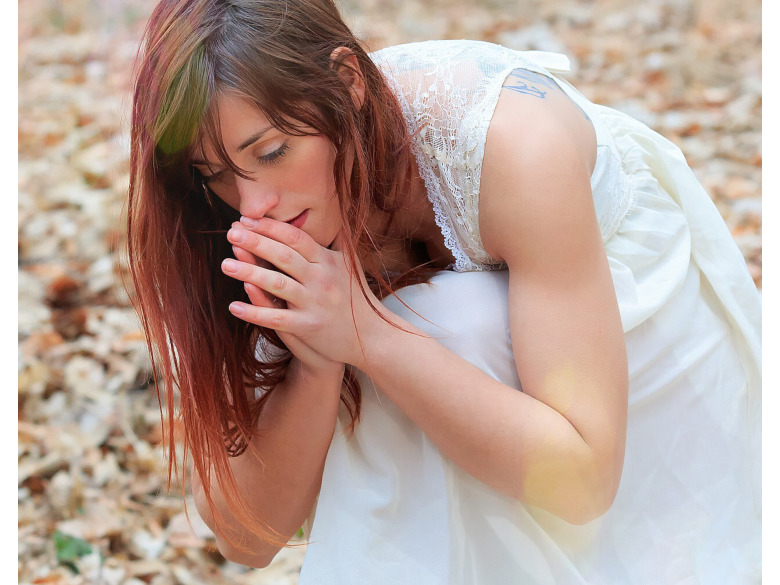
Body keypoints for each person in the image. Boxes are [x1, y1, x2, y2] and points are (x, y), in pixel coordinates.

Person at [127, 0, 761, 583]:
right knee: (401, 352)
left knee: (442, 322)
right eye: (215, 174)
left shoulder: (511, 146)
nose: (253, 203)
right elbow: (244, 537)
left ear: (348, 83)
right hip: (493, 403)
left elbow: (584, 478)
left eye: (272, 151)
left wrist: (369, 334)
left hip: (634, 349)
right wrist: (318, 363)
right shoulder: (239, 221)